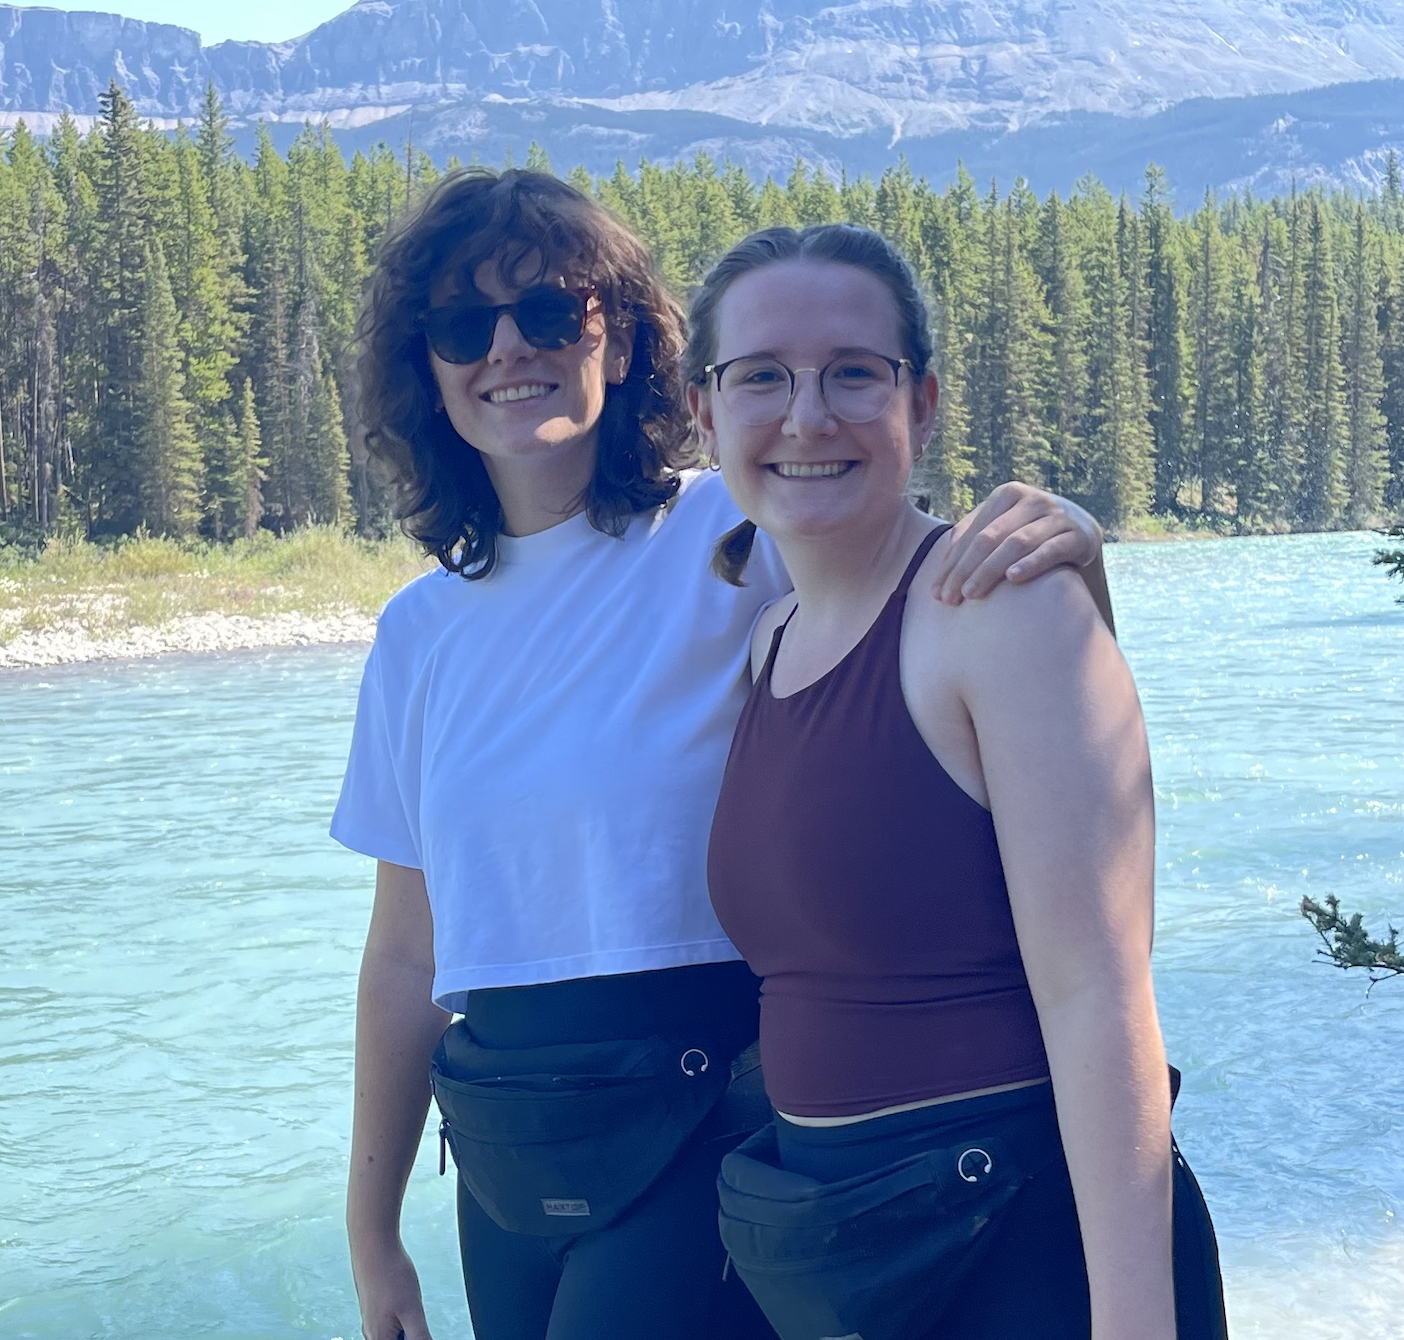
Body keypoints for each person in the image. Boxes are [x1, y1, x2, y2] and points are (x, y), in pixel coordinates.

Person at [329, 168, 1110, 1340]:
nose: (507, 348)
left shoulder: (736, 530)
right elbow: (404, 957)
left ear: (620, 338)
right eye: (462, 324)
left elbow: (955, 624)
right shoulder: (416, 633)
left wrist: (1076, 555)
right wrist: (373, 1230)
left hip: (701, 1114)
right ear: (425, 367)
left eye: (547, 311)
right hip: (502, 1145)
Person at [696, 223, 1228, 1340]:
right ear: (707, 414)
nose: (807, 415)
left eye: (854, 372)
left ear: (923, 405)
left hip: (1021, 1242)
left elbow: (1101, 991)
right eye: (762, 377)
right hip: (843, 1250)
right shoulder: (770, 639)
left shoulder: (1000, 604)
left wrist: (1135, 1318)